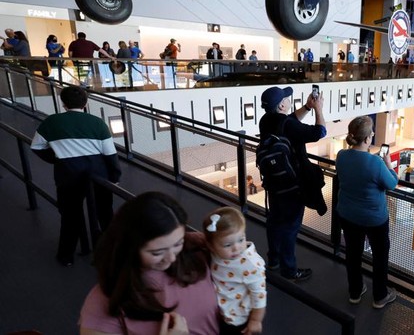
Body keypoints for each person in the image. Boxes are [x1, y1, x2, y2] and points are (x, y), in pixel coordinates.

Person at [79, 192, 219, 333]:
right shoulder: (103, 303)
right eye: (157, 253)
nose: (171, 258)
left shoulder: (197, 256)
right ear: (130, 249)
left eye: (178, 244)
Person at [30, 86, 120, 267]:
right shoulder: (97, 123)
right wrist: (114, 176)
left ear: (63, 103)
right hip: (98, 176)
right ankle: (111, 254)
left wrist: (57, 159)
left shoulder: (51, 122)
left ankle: (66, 256)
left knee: (70, 216)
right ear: (85, 103)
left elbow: (36, 147)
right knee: (105, 215)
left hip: (67, 176)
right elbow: (110, 154)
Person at [259, 86, 326, 281]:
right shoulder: (287, 123)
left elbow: (289, 121)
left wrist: (307, 107)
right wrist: (318, 109)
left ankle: (273, 260)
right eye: (287, 98)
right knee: (290, 227)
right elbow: (319, 132)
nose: (289, 99)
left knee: (274, 221)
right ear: (282, 105)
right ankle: (289, 270)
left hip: (273, 182)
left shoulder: (266, 121)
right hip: (292, 183)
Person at [335, 116, 399, 308]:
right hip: (374, 219)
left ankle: (355, 291)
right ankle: (380, 296)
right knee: (380, 256)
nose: (372, 136)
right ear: (366, 139)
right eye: (371, 133)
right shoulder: (376, 163)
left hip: (347, 214)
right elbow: (392, 184)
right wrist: (387, 164)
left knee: (353, 254)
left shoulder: (341, 156)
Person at [203, 207, 266, 334]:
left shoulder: (250, 265)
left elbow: (259, 294)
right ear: (211, 246)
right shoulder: (216, 252)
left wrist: (255, 320)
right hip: (221, 309)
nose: (236, 248)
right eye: (228, 245)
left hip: (238, 317)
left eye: (241, 239)